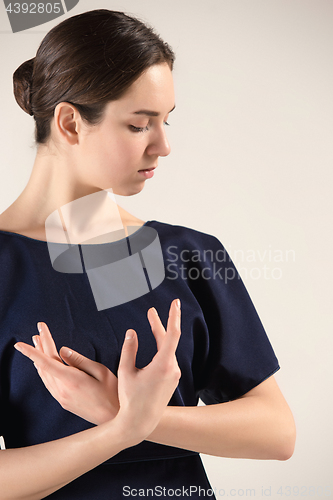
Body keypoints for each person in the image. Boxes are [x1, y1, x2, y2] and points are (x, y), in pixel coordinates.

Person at [0, 9, 296, 500]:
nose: (164, 145)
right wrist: (120, 429)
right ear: (71, 123)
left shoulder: (189, 253)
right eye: (140, 125)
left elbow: (276, 430)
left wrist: (140, 417)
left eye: (166, 121)